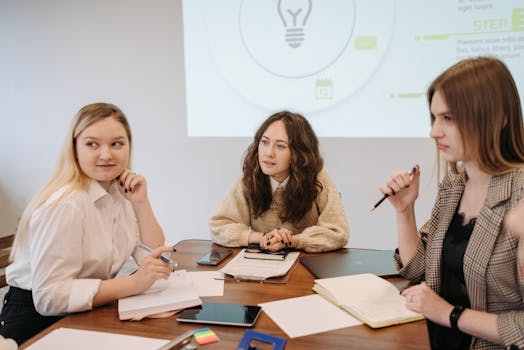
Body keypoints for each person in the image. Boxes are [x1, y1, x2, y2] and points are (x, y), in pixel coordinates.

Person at [379, 57, 524, 349]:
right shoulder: (454, 187)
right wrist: (404, 210)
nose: (434, 132)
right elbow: (419, 270)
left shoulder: (520, 198)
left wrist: (450, 314)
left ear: (498, 118)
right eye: (434, 118)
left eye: (449, 118)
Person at [2, 103, 174, 344]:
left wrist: (141, 203)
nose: (106, 154)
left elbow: (158, 257)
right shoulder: (66, 204)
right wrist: (134, 283)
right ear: (74, 149)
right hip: (37, 323)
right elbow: (50, 297)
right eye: (92, 144)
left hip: (86, 311)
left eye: (117, 143)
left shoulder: (120, 193)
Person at [209, 111, 349, 253]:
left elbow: (338, 233)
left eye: (280, 146)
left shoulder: (317, 177)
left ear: (298, 153)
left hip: (306, 263)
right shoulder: (251, 176)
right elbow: (219, 226)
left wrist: (293, 241)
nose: (268, 153)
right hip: (262, 262)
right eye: (264, 142)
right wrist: (261, 237)